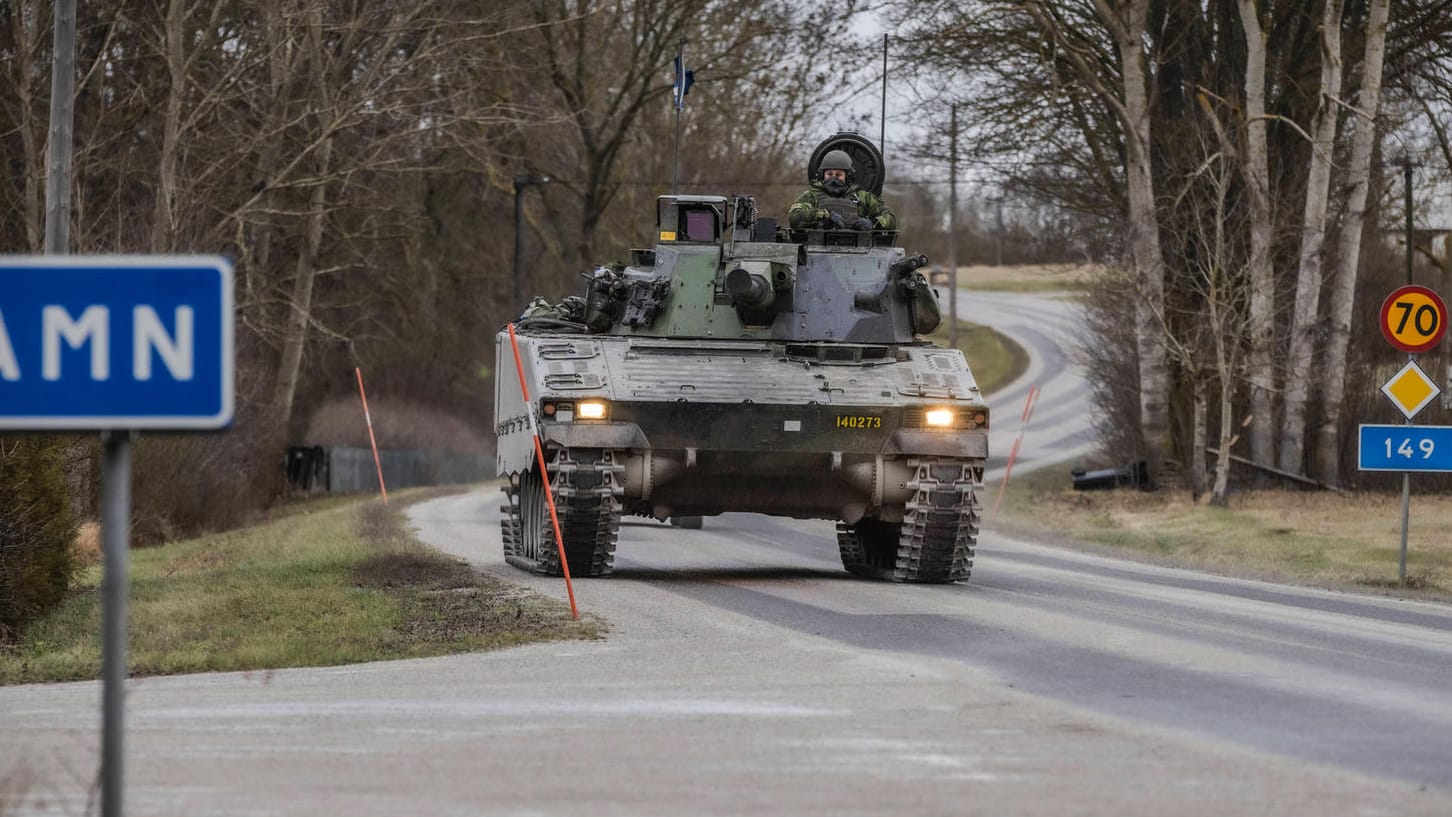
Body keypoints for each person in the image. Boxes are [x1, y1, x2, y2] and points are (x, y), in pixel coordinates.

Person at [787, 149, 897, 231]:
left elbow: (890, 217)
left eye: (838, 174)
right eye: (829, 174)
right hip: (817, 248)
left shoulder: (863, 197)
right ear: (822, 175)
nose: (833, 178)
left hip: (859, 251)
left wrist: (873, 223)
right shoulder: (811, 196)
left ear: (848, 176)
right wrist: (824, 216)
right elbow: (794, 217)